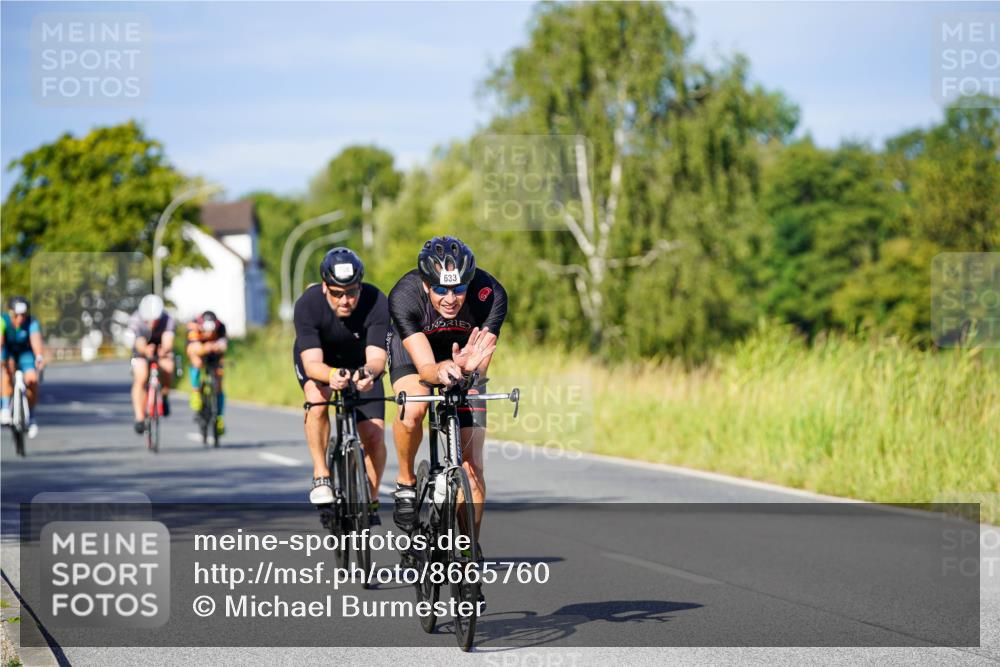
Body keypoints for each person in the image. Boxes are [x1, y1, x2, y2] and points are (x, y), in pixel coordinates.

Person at [387, 236, 507, 544]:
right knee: (413, 408)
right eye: (440, 289)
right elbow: (426, 369)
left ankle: (468, 553)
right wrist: (440, 371)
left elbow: (481, 365)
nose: (450, 298)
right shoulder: (404, 296)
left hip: (464, 359)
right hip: (418, 357)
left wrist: (467, 370)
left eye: (458, 288)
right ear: (426, 285)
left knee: (473, 468)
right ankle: (405, 480)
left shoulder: (490, 295)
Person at [293, 247, 389, 520]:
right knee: (317, 398)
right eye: (337, 293)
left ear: (360, 287)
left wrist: (368, 374)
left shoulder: (375, 300)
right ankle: (322, 474)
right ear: (325, 288)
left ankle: (370, 497)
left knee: (374, 435)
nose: (345, 300)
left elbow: (377, 358)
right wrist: (332, 375)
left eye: (351, 292)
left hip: (361, 362)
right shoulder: (308, 304)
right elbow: (312, 364)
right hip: (320, 360)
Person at [128, 294, 176, 434]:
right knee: (141, 377)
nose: (152, 323)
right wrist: (145, 350)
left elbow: (168, 340)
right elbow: (139, 342)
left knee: (168, 368)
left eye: (155, 320)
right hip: (142, 349)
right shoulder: (136, 320)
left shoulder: (167, 319)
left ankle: (165, 396)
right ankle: (139, 417)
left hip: (161, 347)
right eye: (148, 320)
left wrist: (164, 350)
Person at [1, 297, 47, 437]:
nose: (20, 318)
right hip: (8, 352)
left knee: (32, 379)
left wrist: (39, 356)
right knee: (7, 371)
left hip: (26, 354)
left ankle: (31, 417)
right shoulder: (3, 320)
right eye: (17, 314)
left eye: (23, 314)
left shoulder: (31, 322)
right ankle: (5, 408)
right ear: (10, 313)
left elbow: (35, 340)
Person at [186, 310, 228, 435]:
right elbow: (193, 347)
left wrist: (217, 346)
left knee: (219, 379)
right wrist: (206, 347)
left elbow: (224, 345)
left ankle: (219, 416)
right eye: (206, 330)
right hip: (199, 350)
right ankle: (196, 392)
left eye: (212, 331)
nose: (209, 333)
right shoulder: (194, 326)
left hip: (214, 354)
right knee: (197, 362)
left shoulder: (221, 326)